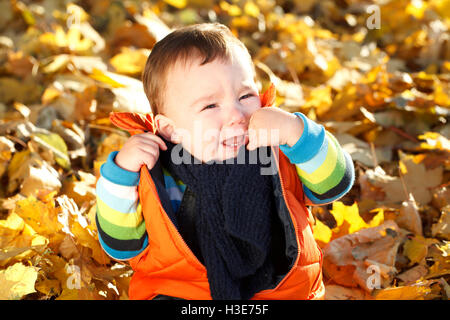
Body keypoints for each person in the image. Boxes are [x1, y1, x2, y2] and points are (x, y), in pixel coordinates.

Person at [95, 23, 354, 300]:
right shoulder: (157, 174)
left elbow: (334, 184)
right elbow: (122, 245)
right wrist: (121, 175)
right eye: (210, 106)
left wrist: (297, 133)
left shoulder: (277, 146)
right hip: (183, 292)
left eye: (245, 96)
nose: (236, 114)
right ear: (170, 129)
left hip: (281, 289)